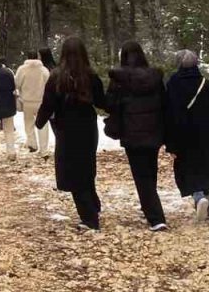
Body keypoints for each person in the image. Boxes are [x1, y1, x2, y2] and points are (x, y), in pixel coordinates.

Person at [34, 36, 106, 230]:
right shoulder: (90, 75)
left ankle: (90, 218)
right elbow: (101, 102)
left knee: (73, 172)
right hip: (88, 127)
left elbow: (48, 103)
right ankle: (94, 205)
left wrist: (39, 122)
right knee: (86, 165)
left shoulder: (57, 76)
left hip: (66, 128)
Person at [165, 50, 209, 222]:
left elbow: (167, 116)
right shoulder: (208, 85)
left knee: (188, 172)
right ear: (196, 64)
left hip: (183, 138)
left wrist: (170, 144)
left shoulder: (172, 85)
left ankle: (198, 198)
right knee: (208, 172)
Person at [105, 41, 168, 230]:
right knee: (150, 170)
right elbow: (164, 103)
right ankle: (149, 205)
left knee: (141, 176)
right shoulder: (155, 78)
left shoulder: (119, 79)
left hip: (132, 133)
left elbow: (110, 104)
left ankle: (156, 217)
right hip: (154, 131)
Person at [15, 49, 51, 154]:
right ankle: (43, 148)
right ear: (37, 57)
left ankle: (32, 144)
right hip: (41, 101)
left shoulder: (22, 69)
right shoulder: (43, 70)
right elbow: (49, 84)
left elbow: (17, 83)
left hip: (27, 101)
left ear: (27, 57)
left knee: (29, 123)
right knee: (43, 124)